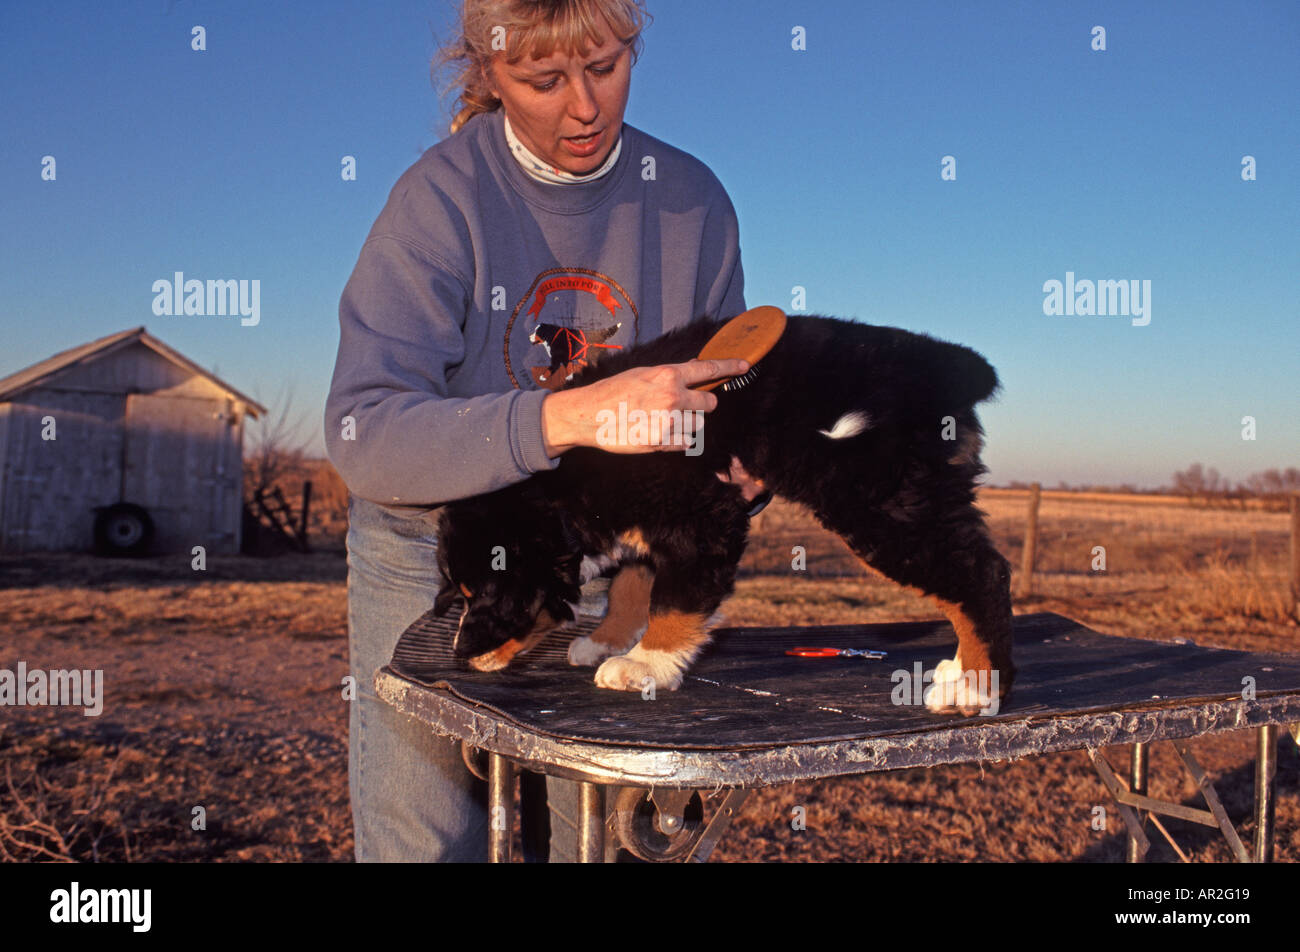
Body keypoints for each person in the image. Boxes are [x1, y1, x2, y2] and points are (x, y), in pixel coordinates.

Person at [325, 0, 763, 862]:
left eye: (604, 68)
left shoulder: (693, 201)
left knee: (630, 841)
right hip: (433, 548)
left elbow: (731, 384)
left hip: (619, 554)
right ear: (489, 73)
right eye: (544, 80)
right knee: (431, 841)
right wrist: (568, 416)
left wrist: (747, 458)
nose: (585, 106)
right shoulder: (439, 198)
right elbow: (363, 428)